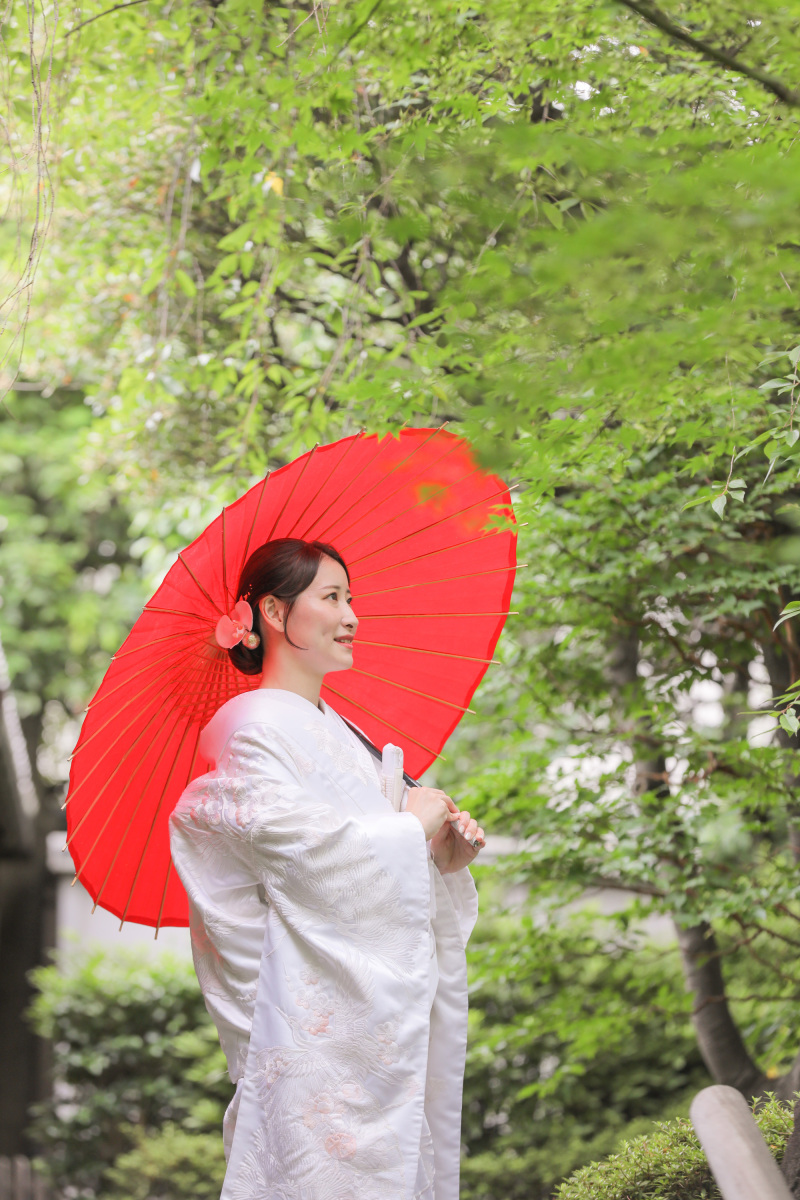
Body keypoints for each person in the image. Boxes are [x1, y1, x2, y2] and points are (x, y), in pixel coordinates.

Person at [169, 537, 484, 1200]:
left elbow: (373, 861)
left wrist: (440, 856)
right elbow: (306, 854)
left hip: (375, 1030)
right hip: (312, 1035)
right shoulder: (248, 728)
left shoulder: (340, 732)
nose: (351, 617)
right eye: (332, 597)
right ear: (276, 615)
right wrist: (409, 827)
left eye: (351, 599)